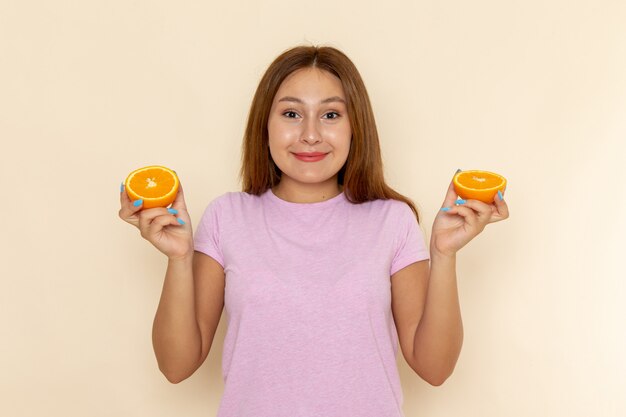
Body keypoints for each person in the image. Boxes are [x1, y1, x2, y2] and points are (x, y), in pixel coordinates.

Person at [119, 45, 509, 417]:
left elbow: (434, 369)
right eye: (291, 114)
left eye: (330, 115)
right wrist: (179, 259)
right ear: (264, 126)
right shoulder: (227, 218)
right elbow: (176, 366)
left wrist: (443, 254)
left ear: (356, 127)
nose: (310, 134)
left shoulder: (392, 221)